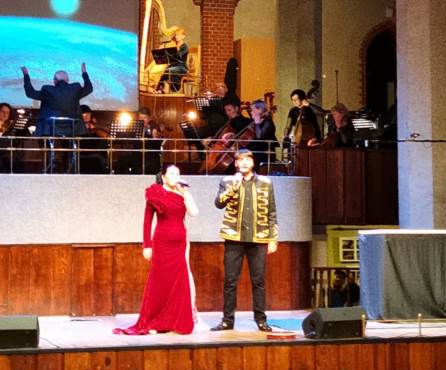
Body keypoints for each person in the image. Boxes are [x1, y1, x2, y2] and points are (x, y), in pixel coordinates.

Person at [113, 164, 198, 335]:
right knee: (160, 283)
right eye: (172, 174)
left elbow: (194, 212)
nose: (176, 176)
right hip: (162, 243)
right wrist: (147, 245)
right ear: (164, 177)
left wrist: (185, 193)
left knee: (179, 283)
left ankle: (174, 321)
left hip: (180, 244)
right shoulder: (155, 193)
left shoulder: (182, 194)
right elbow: (147, 221)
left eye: (178, 174)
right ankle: (155, 321)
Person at [210, 149, 278, 332]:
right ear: (236, 163)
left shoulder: (265, 182)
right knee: (230, 281)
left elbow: (272, 212)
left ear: (253, 162)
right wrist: (234, 186)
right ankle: (227, 320)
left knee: (259, 281)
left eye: (248, 159)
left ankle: (261, 319)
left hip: (259, 237)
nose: (245, 162)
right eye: (241, 160)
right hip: (234, 237)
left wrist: (273, 239)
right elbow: (219, 203)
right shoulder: (227, 181)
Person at [21, 64, 93, 137]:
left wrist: (26, 75)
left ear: (54, 81)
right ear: (68, 80)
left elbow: (30, 93)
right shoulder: (75, 88)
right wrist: (84, 73)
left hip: (50, 129)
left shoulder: (48, 90)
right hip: (73, 128)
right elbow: (89, 88)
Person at [247, 100, 278, 171]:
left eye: (253, 110)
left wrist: (257, 123)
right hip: (255, 151)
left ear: (260, 110)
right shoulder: (254, 122)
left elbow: (259, 137)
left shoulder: (268, 122)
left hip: (264, 153)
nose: (251, 112)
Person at [158, 28, 189, 92]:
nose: (176, 37)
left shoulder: (185, 46)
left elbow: (177, 56)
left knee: (167, 70)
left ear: (183, 36)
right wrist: (162, 48)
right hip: (173, 66)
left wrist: (174, 48)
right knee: (162, 71)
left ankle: (174, 87)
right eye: (176, 35)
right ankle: (160, 88)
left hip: (181, 67)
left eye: (178, 35)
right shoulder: (173, 44)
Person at [0, 102, 14, 172]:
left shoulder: (8, 127)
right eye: (3, 112)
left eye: (7, 112)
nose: (5, 114)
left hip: (5, 161)